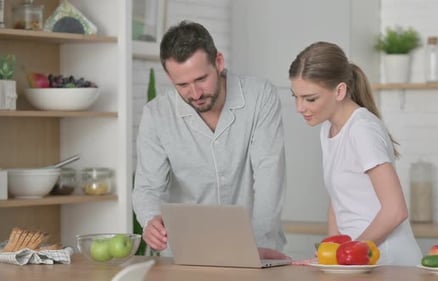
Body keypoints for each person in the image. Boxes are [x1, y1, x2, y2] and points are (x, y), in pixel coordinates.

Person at [132, 20, 288, 259]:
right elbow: (147, 189)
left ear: (219, 62)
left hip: (257, 247)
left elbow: (269, 179)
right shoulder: (156, 115)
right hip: (186, 253)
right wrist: (150, 221)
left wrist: (259, 247)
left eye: (201, 79)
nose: (195, 94)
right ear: (168, 76)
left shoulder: (260, 97)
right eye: (182, 85)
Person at [288, 41, 422, 266]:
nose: (299, 108)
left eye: (310, 99)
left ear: (339, 91)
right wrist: (328, 256)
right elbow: (338, 201)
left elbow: (395, 210)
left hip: (388, 261)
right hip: (358, 261)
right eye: (296, 97)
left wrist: (346, 255)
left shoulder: (362, 129)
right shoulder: (328, 129)